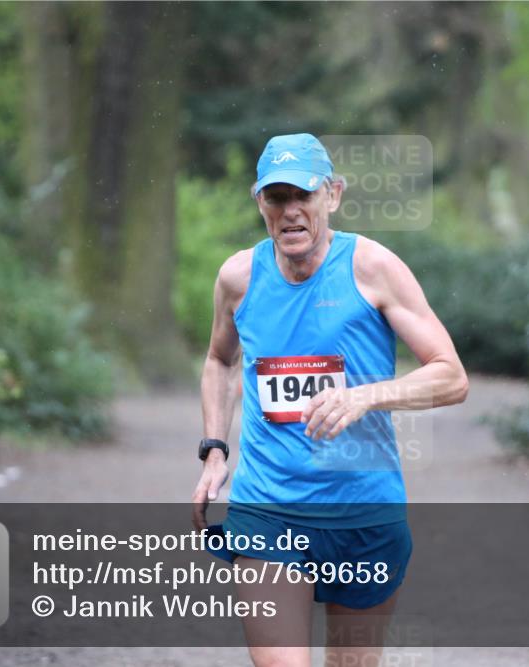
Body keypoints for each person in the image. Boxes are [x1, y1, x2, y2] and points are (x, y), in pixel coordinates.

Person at [192, 133, 468, 667]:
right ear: (260, 203)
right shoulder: (238, 278)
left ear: (333, 196)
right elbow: (219, 361)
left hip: (363, 509)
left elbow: (451, 376)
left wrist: (366, 396)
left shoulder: (373, 267)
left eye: (305, 195)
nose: (291, 211)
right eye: (277, 197)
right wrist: (215, 450)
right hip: (268, 506)